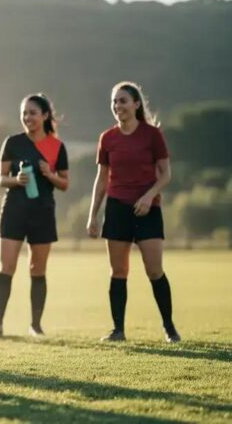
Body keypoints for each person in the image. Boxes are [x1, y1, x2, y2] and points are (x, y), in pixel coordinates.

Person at [87, 81, 180, 343]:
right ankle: (118, 330)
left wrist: (149, 196)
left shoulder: (152, 135)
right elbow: (102, 178)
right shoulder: (107, 138)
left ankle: (169, 328)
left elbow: (166, 174)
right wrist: (93, 214)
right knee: (118, 272)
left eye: (123, 101)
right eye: (115, 102)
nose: (118, 106)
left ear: (136, 104)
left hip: (148, 209)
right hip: (117, 209)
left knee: (154, 270)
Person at [0, 94, 69, 337]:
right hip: (14, 210)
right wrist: (16, 180)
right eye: (24, 113)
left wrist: (49, 174)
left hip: (42, 213)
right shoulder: (12, 142)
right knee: (7, 266)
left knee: (37, 269)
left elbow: (65, 184)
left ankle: (35, 325)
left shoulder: (56, 147)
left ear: (45, 116)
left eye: (32, 113)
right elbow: (0, 179)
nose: (27, 118)